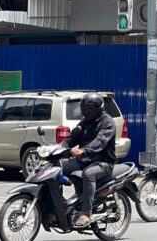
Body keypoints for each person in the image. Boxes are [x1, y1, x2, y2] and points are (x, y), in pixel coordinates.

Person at [60, 93, 116, 228]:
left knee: (88, 174)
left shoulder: (107, 122)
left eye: (89, 109)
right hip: (85, 159)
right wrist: (58, 148)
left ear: (98, 108)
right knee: (59, 169)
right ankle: (59, 203)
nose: (86, 112)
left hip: (103, 162)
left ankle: (86, 213)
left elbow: (100, 141)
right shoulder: (85, 121)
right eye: (84, 109)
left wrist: (84, 150)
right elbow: (72, 138)